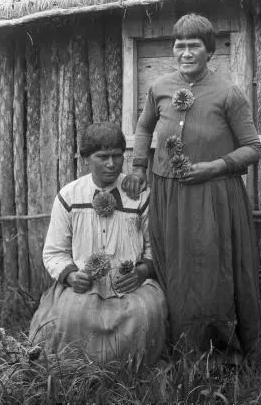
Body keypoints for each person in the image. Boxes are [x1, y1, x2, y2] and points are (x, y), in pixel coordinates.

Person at [122, 13, 261, 363]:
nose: (185, 52)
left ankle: (220, 352)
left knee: (212, 271)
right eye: (179, 45)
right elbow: (143, 128)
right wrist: (139, 166)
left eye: (194, 45)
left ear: (210, 51)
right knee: (174, 269)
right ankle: (179, 347)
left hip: (213, 196)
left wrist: (213, 167)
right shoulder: (160, 87)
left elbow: (252, 148)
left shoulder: (228, 93)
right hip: (169, 194)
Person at [29, 122, 167, 366]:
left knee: (145, 314)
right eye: (102, 157)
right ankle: (77, 372)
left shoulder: (140, 196)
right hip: (85, 284)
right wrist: (71, 277)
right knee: (73, 315)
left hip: (130, 283)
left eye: (117, 156)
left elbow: (154, 246)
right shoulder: (69, 196)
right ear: (85, 159)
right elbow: (54, 252)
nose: (112, 163)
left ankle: (133, 372)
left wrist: (142, 271)